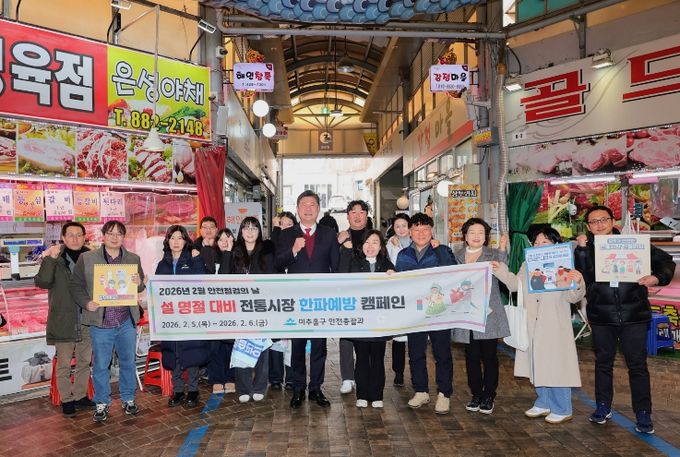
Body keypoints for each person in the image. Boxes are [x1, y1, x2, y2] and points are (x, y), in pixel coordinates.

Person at [574, 205, 676, 434]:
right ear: (588, 226)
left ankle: (643, 413)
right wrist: (581, 251)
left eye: (603, 219)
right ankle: (603, 406)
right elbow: (585, 276)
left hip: (634, 315)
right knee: (603, 363)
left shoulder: (633, 244)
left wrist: (657, 277)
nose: (599, 225)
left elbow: (666, 262)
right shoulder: (585, 248)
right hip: (602, 316)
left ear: (613, 221)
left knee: (637, 365)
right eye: (594, 222)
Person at [492, 226, 585, 424]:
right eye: (536, 242)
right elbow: (515, 285)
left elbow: (573, 297)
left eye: (545, 242)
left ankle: (562, 408)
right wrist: (500, 269)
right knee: (536, 362)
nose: (539, 245)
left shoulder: (564, 264)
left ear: (556, 244)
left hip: (554, 324)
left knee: (556, 366)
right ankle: (544, 401)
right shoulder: (527, 264)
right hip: (532, 322)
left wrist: (578, 282)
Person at [70, 221, 145, 423]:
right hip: (100, 323)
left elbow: (139, 287)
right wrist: (86, 303)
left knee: (128, 362)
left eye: (119, 234)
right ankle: (102, 402)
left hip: (126, 322)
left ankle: (128, 399)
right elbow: (75, 286)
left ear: (123, 237)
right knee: (101, 365)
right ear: (103, 236)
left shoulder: (133, 259)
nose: (114, 237)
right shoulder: (87, 258)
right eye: (110, 233)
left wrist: (139, 283)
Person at [276, 190, 339, 408]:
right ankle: (298, 389)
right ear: (297, 209)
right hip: (296, 301)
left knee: (319, 346)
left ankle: (316, 389)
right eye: (304, 204)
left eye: (312, 204)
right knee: (298, 345)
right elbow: (278, 263)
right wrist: (293, 250)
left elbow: (336, 267)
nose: (308, 208)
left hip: (321, 301)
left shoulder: (329, 234)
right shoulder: (286, 234)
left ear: (319, 209)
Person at [395, 212, 457, 414]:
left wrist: (439, 251)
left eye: (425, 229)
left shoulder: (443, 251)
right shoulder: (403, 255)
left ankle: (444, 393)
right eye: (416, 229)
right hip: (415, 313)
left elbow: (453, 273)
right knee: (415, 353)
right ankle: (420, 390)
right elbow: (398, 283)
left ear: (432, 231)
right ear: (410, 232)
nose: (421, 233)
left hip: (439, 311)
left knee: (442, 354)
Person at [452, 218, 511, 415]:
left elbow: (504, 268)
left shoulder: (493, 255)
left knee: (489, 356)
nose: (476, 236)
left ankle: (489, 395)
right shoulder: (456, 256)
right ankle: (476, 394)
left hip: (488, 314)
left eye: (480, 232)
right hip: (466, 314)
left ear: (486, 236)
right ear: (465, 236)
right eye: (472, 232)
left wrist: (502, 249)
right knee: (471, 356)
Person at [35, 222, 93, 418]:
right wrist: (50, 259)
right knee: (64, 364)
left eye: (79, 235)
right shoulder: (56, 257)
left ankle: (80, 396)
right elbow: (42, 282)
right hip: (63, 318)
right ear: (63, 237)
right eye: (71, 235)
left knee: (85, 361)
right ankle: (67, 400)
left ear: (84, 237)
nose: (75, 239)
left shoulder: (91, 257)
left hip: (87, 317)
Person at [221, 217, 276, 403]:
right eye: (246, 228)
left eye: (254, 228)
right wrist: (227, 252)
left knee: (262, 347)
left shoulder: (266, 252)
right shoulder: (235, 251)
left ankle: (260, 386)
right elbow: (223, 278)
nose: (250, 232)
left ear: (259, 231)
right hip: (239, 308)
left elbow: (272, 279)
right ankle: (243, 387)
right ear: (241, 231)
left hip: (261, 307)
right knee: (241, 346)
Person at [338, 230, 395, 408]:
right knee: (362, 357)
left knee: (378, 358)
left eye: (375, 242)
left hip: (380, 320)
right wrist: (346, 251)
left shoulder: (387, 264)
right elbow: (342, 278)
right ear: (361, 245)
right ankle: (362, 394)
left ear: (381, 246)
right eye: (367, 242)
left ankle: (377, 395)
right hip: (360, 320)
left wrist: (393, 276)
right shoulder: (353, 262)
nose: (370, 246)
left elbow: (397, 288)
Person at [156, 225, 209, 408]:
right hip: (170, 317)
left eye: (180, 238)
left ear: (186, 240)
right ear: (167, 241)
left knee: (191, 352)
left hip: (190, 316)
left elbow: (202, 283)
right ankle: (177, 390)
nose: (176, 242)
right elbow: (158, 291)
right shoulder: (162, 264)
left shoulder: (193, 259)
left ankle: (193, 391)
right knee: (174, 353)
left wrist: (198, 259)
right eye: (172, 238)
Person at [335, 200, 371, 395]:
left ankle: (364, 374)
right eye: (353, 212)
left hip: (368, 295)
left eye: (361, 212)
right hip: (346, 295)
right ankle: (347, 377)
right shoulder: (340, 238)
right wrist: (339, 244)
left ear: (367, 215)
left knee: (368, 336)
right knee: (346, 336)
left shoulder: (374, 237)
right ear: (347, 216)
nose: (357, 216)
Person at [268, 212, 296, 390]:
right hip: (275, 299)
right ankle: (275, 377)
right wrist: (276, 231)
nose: (284, 228)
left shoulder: (300, 243)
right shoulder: (270, 246)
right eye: (281, 224)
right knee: (275, 336)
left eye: (288, 224)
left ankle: (292, 377)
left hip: (294, 299)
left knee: (293, 338)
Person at [207, 228, 237, 394]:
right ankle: (216, 379)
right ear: (216, 242)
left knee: (231, 345)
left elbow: (225, 278)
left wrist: (229, 253)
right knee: (215, 346)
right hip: (213, 309)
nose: (224, 242)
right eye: (221, 239)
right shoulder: (210, 257)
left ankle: (231, 378)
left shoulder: (237, 258)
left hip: (232, 309)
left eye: (228, 239)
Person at [386, 213, 411, 387]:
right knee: (399, 336)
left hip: (415, 294)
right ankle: (399, 372)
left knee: (416, 336)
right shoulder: (390, 245)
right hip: (397, 295)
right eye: (397, 226)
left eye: (404, 225)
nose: (401, 229)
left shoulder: (419, 241)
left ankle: (417, 370)